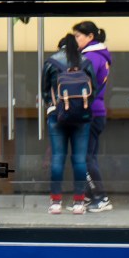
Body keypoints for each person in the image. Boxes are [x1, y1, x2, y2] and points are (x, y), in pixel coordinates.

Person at [43, 34, 91, 215]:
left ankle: (56, 203)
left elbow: (45, 90)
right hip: (81, 118)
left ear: (60, 47)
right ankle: (79, 203)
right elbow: (93, 88)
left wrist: (53, 106)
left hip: (57, 116)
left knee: (57, 158)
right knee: (79, 159)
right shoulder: (86, 62)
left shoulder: (51, 62)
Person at [74, 21, 114, 212]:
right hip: (97, 112)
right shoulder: (100, 56)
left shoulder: (90, 57)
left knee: (85, 157)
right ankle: (91, 196)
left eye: (78, 36)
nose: (76, 40)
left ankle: (101, 196)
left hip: (89, 113)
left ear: (90, 37)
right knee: (90, 157)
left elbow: (81, 85)